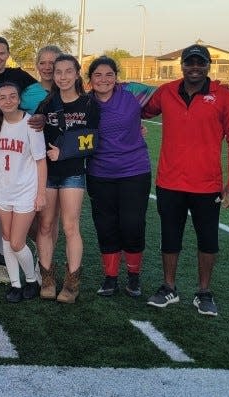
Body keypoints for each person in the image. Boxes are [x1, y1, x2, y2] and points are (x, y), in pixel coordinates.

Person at [142, 44, 229, 316]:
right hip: (169, 181)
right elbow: (142, 109)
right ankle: (169, 287)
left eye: (201, 63)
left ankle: (203, 292)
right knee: (170, 237)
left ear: (209, 66)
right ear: (182, 65)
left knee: (208, 239)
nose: (195, 68)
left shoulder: (223, 97)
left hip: (207, 184)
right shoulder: (166, 92)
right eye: (190, 63)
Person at [0, 37, 48, 285]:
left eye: (1, 52)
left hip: (24, 185)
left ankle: (35, 274)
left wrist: (41, 115)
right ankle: (12, 276)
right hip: (1, 180)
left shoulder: (20, 77)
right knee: (4, 231)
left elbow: (46, 98)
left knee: (19, 237)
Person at [35, 54, 100, 304]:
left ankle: (72, 281)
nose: (62, 76)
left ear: (76, 74)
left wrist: (64, 152)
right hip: (48, 175)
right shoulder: (46, 104)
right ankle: (48, 278)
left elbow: (93, 141)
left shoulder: (89, 104)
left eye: (67, 71)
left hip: (73, 172)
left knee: (70, 226)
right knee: (45, 225)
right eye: (58, 72)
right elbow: (35, 136)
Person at [85, 56, 152, 298]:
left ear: (116, 77)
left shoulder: (133, 92)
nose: (103, 80)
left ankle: (134, 277)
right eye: (98, 75)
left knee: (132, 224)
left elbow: (169, 95)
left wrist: (216, 87)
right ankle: (110, 277)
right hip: (99, 172)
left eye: (109, 75)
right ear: (90, 80)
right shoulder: (84, 102)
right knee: (106, 225)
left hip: (134, 169)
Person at [0, 82, 47, 303]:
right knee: (6, 238)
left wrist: (41, 193)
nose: (8, 101)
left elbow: (41, 161)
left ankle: (32, 280)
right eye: (2, 97)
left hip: (25, 190)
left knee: (17, 241)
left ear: (19, 99)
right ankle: (15, 283)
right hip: (2, 189)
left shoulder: (30, 124)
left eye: (12, 96)